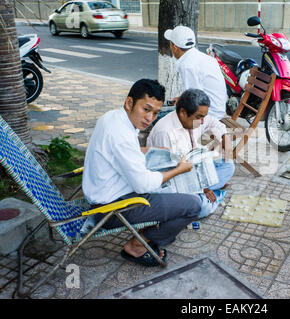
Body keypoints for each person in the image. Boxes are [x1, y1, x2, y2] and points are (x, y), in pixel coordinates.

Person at [82, 79, 202, 267]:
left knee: (171, 188)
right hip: (111, 210)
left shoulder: (112, 118)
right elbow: (143, 184)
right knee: (194, 204)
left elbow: (117, 153)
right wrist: (179, 170)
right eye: (145, 109)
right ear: (129, 102)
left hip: (104, 195)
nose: (150, 118)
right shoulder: (121, 134)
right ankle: (138, 244)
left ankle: (148, 233)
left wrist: (146, 151)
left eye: (155, 113)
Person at [147, 88, 235, 218]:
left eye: (203, 117)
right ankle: (214, 194)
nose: (203, 122)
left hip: (193, 169)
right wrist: (202, 189)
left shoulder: (196, 117)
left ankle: (209, 193)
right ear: (183, 113)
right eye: (199, 117)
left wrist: (224, 136)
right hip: (174, 183)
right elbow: (171, 177)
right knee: (201, 208)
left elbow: (213, 121)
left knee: (228, 165)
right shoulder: (166, 133)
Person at [164, 25, 227, 119]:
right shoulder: (201, 57)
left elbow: (193, 102)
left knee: (159, 119)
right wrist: (181, 99)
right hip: (217, 111)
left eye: (170, 43)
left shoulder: (187, 65)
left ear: (175, 47)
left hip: (208, 117)